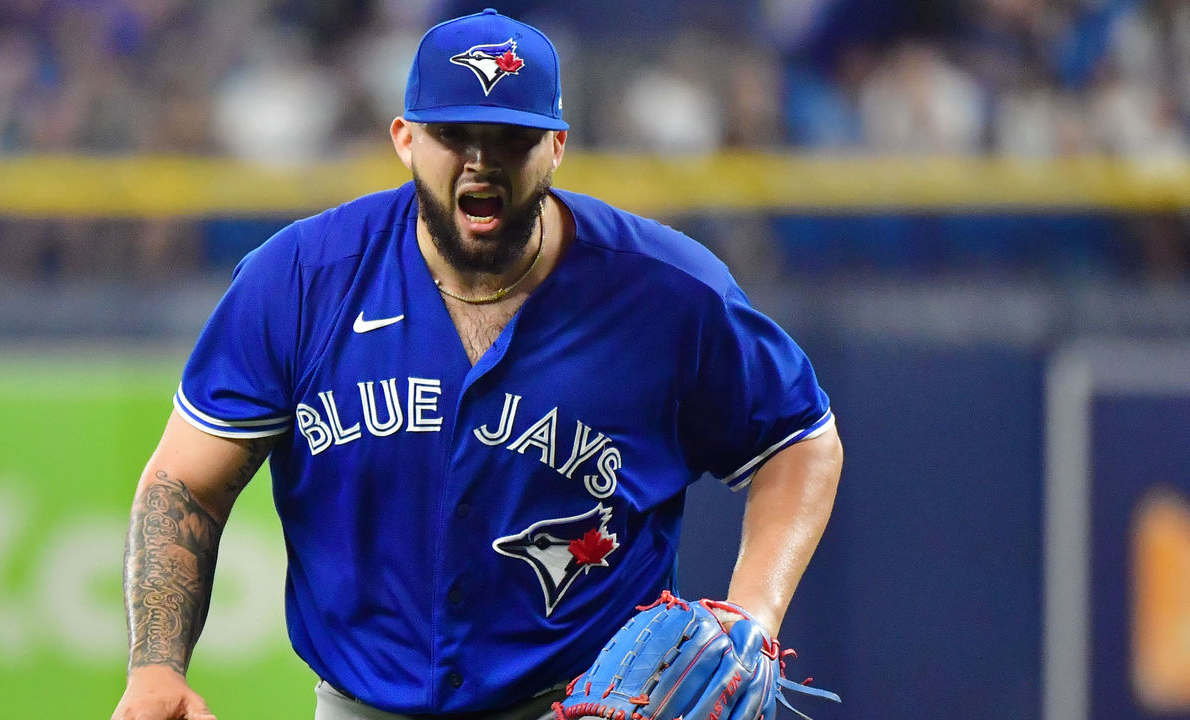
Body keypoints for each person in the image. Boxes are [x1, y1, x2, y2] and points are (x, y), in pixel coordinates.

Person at [109, 9, 842, 720]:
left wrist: (754, 612)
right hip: (361, 706)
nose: (480, 161)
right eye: (454, 134)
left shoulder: (668, 292)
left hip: (587, 703)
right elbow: (185, 485)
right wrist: (154, 668)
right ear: (404, 139)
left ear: (557, 145)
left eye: (510, 139)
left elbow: (800, 438)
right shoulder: (301, 280)